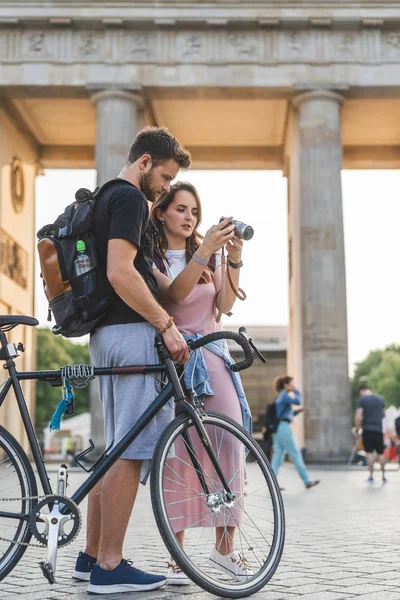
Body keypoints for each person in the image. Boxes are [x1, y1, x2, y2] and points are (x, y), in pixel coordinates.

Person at [72, 127, 191, 595]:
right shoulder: (128, 199)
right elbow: (121, 271)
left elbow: (143, 272)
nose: (165, 188)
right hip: (131, 332)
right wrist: (165, 324)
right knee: (132, 451)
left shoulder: (103, 196)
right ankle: (110, 565)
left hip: (106, 335)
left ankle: (90, 556)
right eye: (164, 176)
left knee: (114, 448)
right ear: (144, 162)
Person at [150, 181, 253, 585]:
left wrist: (235, 259)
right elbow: (174, 295)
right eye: (180, 208)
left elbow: (223, 306)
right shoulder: (153, 258)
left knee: (229, 447)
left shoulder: (206, 258)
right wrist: (205, 249)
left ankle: (225, 550)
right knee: (179, 454)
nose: (190, 216)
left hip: (214, 358)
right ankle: (177, 556)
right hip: (177, 361)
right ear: (161, 212)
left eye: (194, 210)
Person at [271, 376, 319, 490]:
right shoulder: (284, 395)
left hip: (277, 428)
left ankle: (272, 484)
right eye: (292, 383)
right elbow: (297, 401)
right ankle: (307, 480)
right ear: (286, 385)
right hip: (284, 428)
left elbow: (285, 413)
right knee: (295, 454)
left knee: (277, 456)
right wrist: (296, 391)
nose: (294, 385)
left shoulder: (281, 396)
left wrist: (296, 412)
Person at [355, 384, 386, 484]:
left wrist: (358, 427)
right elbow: (383, 414)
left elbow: (358, 415)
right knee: (380, 453)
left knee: (369, 453)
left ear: (361, 391)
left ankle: (371, 476)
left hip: (368, 429)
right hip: (378, 429)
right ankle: (383, 476)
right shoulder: (380, 399)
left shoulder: (362, 400)